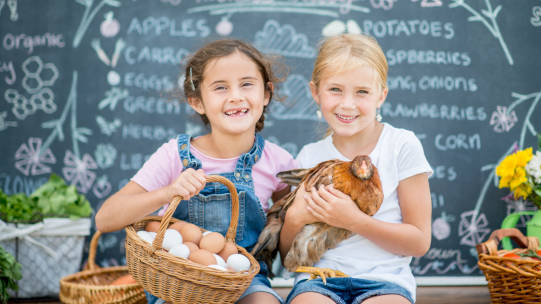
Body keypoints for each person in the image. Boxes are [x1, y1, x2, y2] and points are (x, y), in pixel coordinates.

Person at [96, 39, 297, 304]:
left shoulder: (279, 163)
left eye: (247, 84)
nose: (235, 96)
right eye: (220, 87)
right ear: (197, 101)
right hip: (176, 283)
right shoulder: (174, 156)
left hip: (243, 281)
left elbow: (283, 234)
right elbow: (105, 219)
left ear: (266, 93)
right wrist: (168, 192)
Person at [281, 34, 433, 304]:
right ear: (315, 92)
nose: (347, 104)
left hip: (386, 281)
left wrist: (354, 221)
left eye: (362, 92)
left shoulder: (400, 145)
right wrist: (294, 218)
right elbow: (287, 256)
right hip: (319, 280)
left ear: (381, 95)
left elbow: (419, 242)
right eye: (335, 90)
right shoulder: (309, 156)